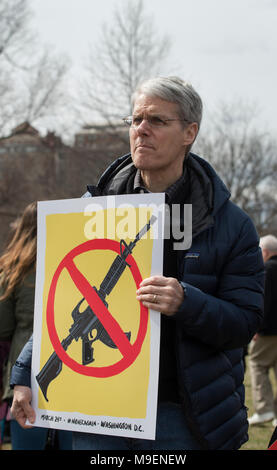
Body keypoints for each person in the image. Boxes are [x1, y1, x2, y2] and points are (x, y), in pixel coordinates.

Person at [10, 76, 264, 450]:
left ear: (189, 132)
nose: (141, 130)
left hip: (181, 414)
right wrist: (24, 374)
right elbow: (55, 303)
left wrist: (186, 303)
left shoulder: (230, 223)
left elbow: (245, 322)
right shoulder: (89, 209)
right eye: (135, 120)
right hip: (95, 410)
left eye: (157, 121)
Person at [0, 202, 73, 450]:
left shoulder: (10, 269)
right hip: (71, 375)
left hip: (23, 381)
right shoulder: (68, 264)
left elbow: (2, 328)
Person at [248, 234, 277, 426]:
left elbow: (263, 301)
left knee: (257, 364)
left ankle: (265, 409)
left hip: (269, 330)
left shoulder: (267, 270)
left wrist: (256, 326)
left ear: (265, 252)